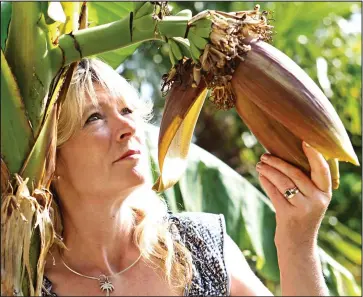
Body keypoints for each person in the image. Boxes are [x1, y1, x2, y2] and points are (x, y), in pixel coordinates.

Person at [42, 58, 331, 296]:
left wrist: (298, 239)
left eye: (127, 110)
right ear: (51, 159)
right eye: (94, 117)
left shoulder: (197, 246)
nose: (128, 127)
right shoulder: (24, 281)